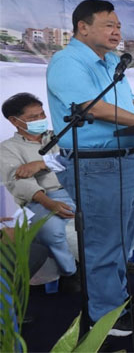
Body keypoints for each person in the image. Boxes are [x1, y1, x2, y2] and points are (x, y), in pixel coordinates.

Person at [46, 0, 134, 336]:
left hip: (125, 160)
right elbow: (97, 108)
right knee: (103, 242)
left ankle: (116, 298)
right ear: (83, 27)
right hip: (96, 166)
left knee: (121, 239)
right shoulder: (67, 62)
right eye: (109, 25)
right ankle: (104, 318)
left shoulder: (111, 62)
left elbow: (128, 101)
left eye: (119, 26)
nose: (117, 31)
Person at [0, 93, 80, 293]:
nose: (40, 120)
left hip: (77, 189)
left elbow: (75, 160)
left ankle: (116, 262)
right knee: (51, 230)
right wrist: (48, 202)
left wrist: (40, 164)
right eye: (32, 118)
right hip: (43, 197)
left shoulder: (60, 136)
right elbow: (18, 180)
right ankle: (71, 272)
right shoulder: (7, 149)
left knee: (121, 210)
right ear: (14, 121)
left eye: (42, 114)